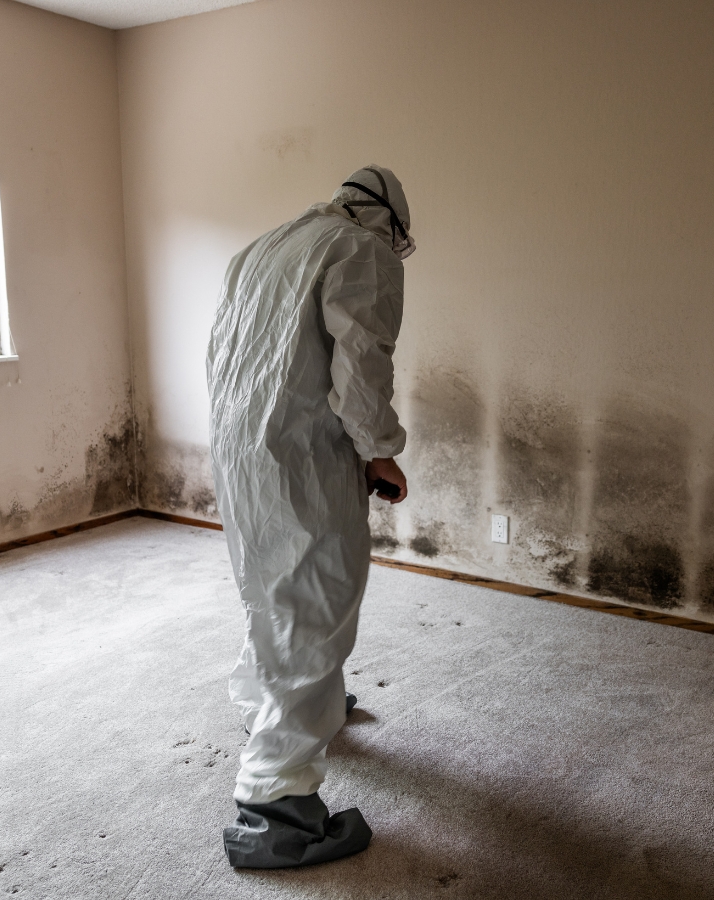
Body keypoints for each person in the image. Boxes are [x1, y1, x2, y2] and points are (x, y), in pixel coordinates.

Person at [206, 165, 415, 868]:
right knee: (318, 600)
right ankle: (276, 806)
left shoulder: (263, 247)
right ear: (388, 221)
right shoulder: (362, 251)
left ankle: (276, 701)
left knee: (270, 587)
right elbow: (362, 365)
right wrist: (379, 451)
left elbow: (225, 355)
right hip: (302, 452)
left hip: (242, 447)